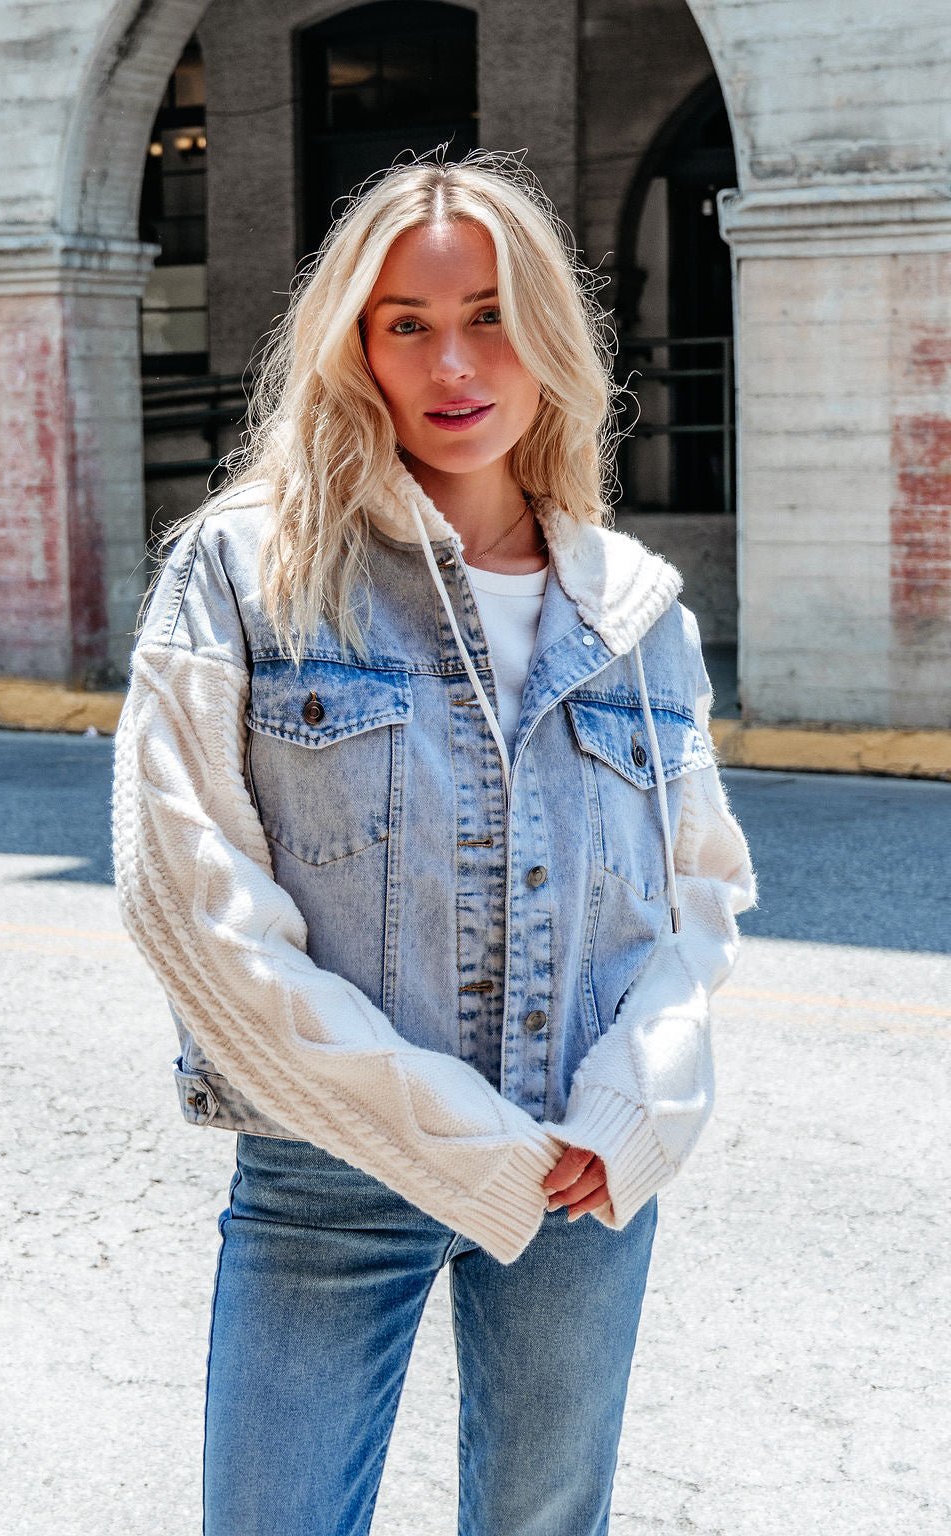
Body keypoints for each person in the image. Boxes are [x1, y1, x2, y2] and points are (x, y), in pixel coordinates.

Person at [112, 150, 756, 1536]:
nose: (453, 362)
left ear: (551, 341)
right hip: (329, 1166)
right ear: (355, 344)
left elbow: (697, 901)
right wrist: (441, 1132)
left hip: (581, 1172)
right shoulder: (244, 570)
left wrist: (641, 1105)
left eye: (492, 318)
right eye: (407, 321)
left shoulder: (638, 607)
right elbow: (192, 906)